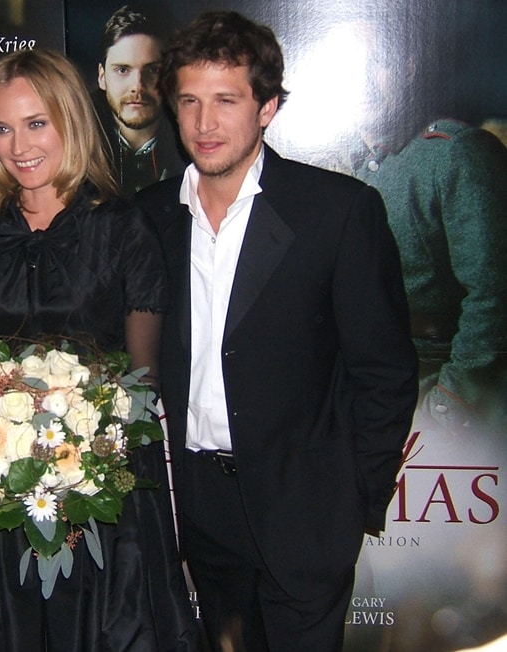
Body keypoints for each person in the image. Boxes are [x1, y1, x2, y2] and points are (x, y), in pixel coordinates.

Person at [136, 11, 418, 652]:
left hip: (307, 512)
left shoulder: (338, 211)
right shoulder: (147, 218)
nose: (205, 125)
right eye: (190, 102)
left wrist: (354, 502)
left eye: (226, 101)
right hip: (198, 512)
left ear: (267, 107)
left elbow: (386, 371)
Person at [0, 48, 199, 651]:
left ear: (70, 121)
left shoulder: (123, 228)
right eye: (1, 128)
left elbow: (142, 384)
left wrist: (84, 460)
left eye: (35, 123)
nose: (18, 146)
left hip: (100, 498)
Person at [343, 19, 507, 439]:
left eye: (377, 64)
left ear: (409, 67)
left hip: (432, 392)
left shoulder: (455, 155)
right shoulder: (351, 166)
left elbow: (494, 295)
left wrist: (449, 404)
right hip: (360, 390)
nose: (362, 81)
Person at [94, 5, 186, 197]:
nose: (137, 86)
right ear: (102, 77)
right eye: (122, 70)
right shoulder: (74, 149)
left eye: (152, 70)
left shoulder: (194, 148)